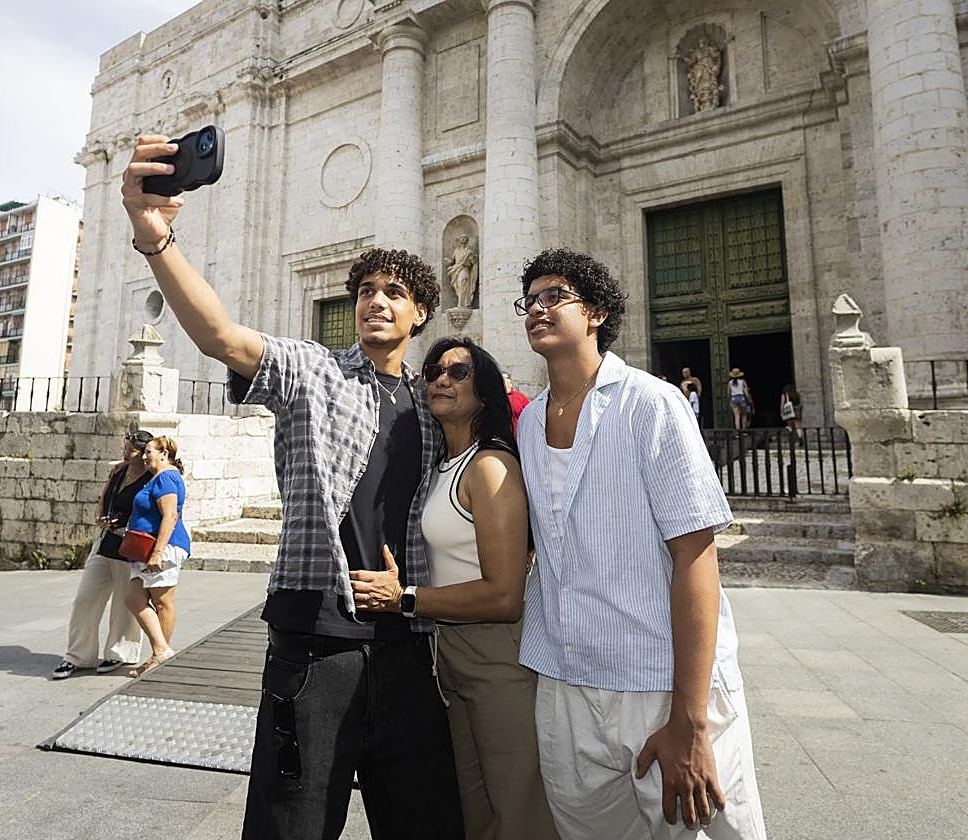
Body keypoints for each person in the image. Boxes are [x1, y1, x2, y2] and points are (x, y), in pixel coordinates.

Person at [120, 135, 462, 840]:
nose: (375, 301)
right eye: (366, 290)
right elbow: (219, 335)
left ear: (421, 313)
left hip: (409, 650)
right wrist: (157, 241)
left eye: (394, 293)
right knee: (290, 829)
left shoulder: (437, 406)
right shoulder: (312, 372)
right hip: (314, 646)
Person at [514, 248, 766, 840]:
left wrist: (690, 721)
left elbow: (696, 556)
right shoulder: (528, 422)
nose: (537, 309)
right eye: (530, 300)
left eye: (555, 297)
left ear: (596, 312)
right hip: (565, 680)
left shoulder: (652, 404)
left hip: (657, 680)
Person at [352, 337, 559, 840]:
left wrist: (403, 598)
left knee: (519, 810)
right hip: (449, 656)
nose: (442, 379)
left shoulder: (490, 467)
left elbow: (504, 596)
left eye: (459, 372)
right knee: (475, 813)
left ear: (485, 393)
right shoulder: (443, 466)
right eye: (434, 371)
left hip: (496, 657)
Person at [52, 429, 152, 679]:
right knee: (85, 599)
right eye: (126, 445)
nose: (127, 451)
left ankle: (120, 653)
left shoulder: (152, 477)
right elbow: (104, 496)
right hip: (106, 542)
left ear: (144, 453)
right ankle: (77, 655)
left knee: (123, 604)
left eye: (133, 449)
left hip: (131, 547)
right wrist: (100, 515)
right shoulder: (118, 471)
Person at [124, 435, 189, 676]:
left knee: (163, 602)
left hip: (163, 547)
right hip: (146, 549)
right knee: (133, 598)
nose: (144, 456)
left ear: (164, 453)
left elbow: (170, 516)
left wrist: (158, 552)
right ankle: (161, 650)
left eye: (148, 451)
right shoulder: (157, 477)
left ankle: (158, 656)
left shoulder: (167, 478)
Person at [504, 370, 530, 437]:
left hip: (518, 437)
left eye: (505, 378)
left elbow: (529, 416)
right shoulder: (495, 397)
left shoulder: (520, 397)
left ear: (510, 383)